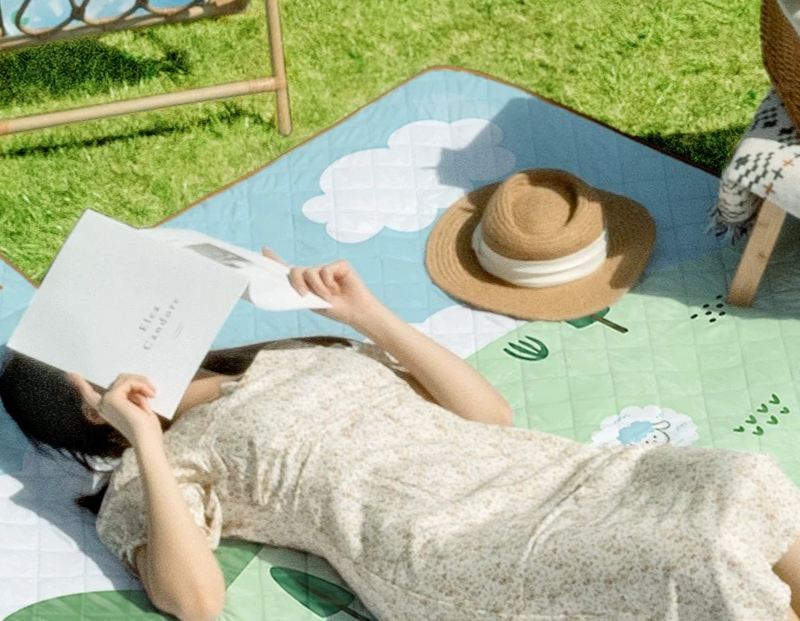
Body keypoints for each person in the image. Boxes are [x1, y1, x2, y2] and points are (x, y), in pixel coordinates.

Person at [2, 250, 800, 621]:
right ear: (90, 408)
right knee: (692, 553)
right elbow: (195, 602)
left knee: (739, 480)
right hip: (449, 540)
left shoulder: (283, 352)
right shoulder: (159, 467)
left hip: (534, 470)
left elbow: (488, 415)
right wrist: (143, 437)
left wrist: (365, 315)